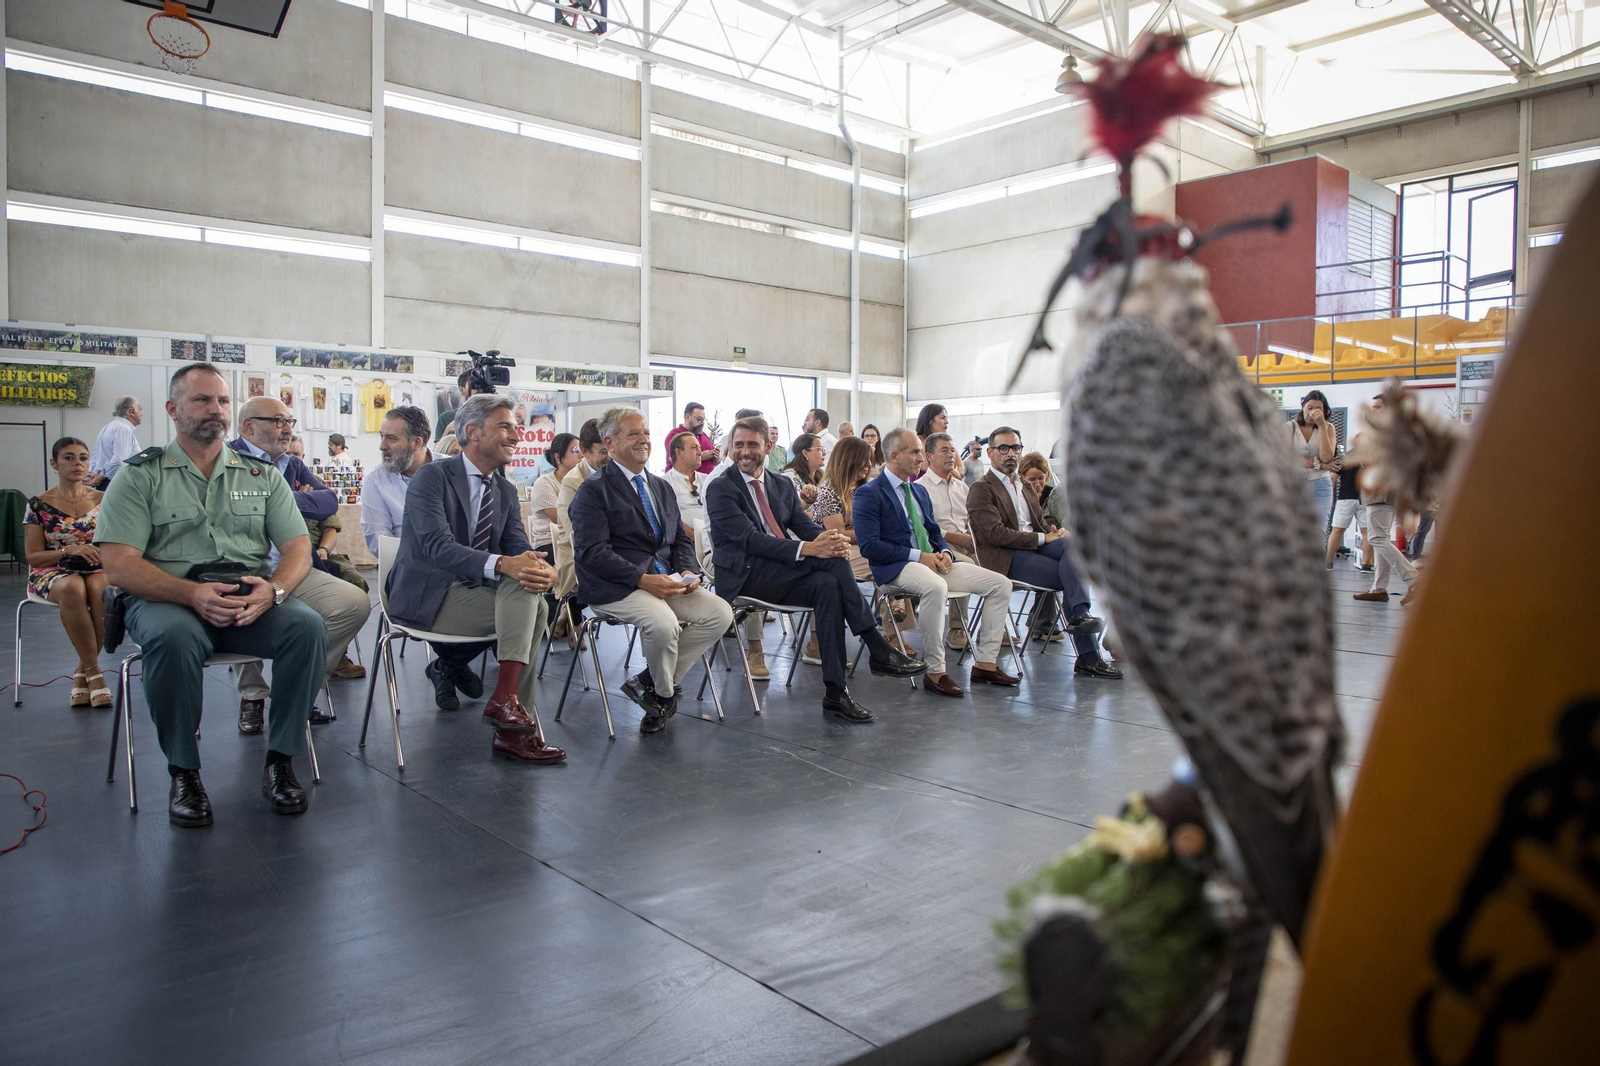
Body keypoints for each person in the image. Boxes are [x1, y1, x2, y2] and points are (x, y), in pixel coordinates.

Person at [95, 363, 330, 826]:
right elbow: (119, 564)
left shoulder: (261, 475)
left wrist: (275, 590)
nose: (215, 410)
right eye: (202, 400)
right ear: (172, 408)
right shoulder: (140, 475)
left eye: (222, 401)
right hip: (165, 599)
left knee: (306, 626)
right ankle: (184, 771)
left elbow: (298, 548)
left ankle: (280, 762)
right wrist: (190, 594)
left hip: (247, 597)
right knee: (174, 639)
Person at [706, 416, 925, 724]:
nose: (744, 452)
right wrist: (812, 549)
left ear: (767, 447)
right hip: (747, 574)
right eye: (738, 445)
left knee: (827, 585)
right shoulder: (720, 488)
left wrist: (830, 540)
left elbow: (806, 527)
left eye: (752, 444)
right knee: (831, 563)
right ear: (730, 447)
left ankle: (836, 693)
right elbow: (750, 541)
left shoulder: (780, 484)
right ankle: (877, 647)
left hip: (783, 569)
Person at [385, 394, 565, 764]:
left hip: (474, 594)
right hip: (427, 597)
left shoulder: (503, 489)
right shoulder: (430, 478)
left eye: (516, 426)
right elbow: (437, 547)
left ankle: (506, 706)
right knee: (531, 602)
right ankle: (511, 723)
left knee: (530, 593)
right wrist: (505, 565)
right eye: (505, 426)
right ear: (472, 432)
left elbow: (519, 547)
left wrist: (541, 566)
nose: (516, 435)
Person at [571, 408, 734, 735]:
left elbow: (677, 540)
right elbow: (592, 552)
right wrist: (641, 579)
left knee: (720, 612)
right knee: (663, 625)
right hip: (617, 586)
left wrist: (687, 571)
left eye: (645, 432)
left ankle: (647, 682)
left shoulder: (660, 487)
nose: (644, 439)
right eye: (633, 434)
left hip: (665, 581)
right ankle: (662, 696)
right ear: (610, 443)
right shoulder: (593, 491)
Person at [229, 397, 371, 731]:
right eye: (278, 421)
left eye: (289, 420)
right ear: (249, 426)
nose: (287, 428)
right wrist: (296, 498)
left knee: (353, 604)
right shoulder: (227, 458)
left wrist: (282, 498)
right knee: (240, 604)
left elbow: (328, 501)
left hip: (296, 566)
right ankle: (252, 696)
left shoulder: (290, 464)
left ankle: (296, 691)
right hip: (243, 567)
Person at [855, 428, 1016, 698]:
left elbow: (933, 532)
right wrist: (920, 556)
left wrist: (945, 553)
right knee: (935, 588)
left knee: (1000, 584)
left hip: (930, 563)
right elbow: (870, 546)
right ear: (894, 456)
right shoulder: (869, 494)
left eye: (920, 451)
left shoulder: (918, 492)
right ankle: (935, 671)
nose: (921, 457)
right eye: (915, 451)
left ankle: (986, 663)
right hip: (896, 568)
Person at [966, 427, 1123, 680]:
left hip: (1034, 548)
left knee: (1074, 547)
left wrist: (1052, 531)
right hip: (1005, 557)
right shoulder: (981, 489)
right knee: (1071, 575)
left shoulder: (1026, 487)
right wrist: (1043, 537)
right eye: (1003, 448)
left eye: (1016, 448)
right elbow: (996, 535)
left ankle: (1080, 617)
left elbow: (1039, 527)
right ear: (990, 453)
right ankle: (1088, 655)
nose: (1011, 454)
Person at [363, 406, 490, 704]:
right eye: (382, 437)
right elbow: (378, 543)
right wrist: (437, 553)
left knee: (516, 599)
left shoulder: (456, 470)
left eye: (391, 439)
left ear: (417, 443)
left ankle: (445, 666)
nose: (382, 445)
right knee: (496, 608)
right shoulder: (376, 481)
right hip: (413, 575)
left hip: (461, 568)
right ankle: (451, 664)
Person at [24, 437, 111, 708]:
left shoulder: (105, 500)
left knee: (101, 590)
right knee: (74, 588)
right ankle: (95, 674)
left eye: (83, 458)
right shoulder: (38, 504)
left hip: (98, 567)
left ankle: (82, 670)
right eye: (69, 457)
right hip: (52, 569)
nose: (78, 463)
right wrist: (67, 551)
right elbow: (33, 556)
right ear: (54, 463)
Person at [1351, 394, 1421, 606]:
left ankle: (1413, 579)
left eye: (1378, 407)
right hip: (1387, 491)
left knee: (1376, 539)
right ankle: (1379, 588)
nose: (1374, 411)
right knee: (1380, 537)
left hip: (1381, 491)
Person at [917, 432, 977, 652]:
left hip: (968, 542)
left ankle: (992, 628)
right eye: (944, 450)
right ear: (929, 456)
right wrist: (956, 538)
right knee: (967, 568)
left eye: (952, 450)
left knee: (1001, 565)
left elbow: (971, 521)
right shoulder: (921, 488)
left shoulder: (963, 488)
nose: (951, 455)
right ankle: (957, 628)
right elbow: (923, 527)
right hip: (939, 544)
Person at [554, 418, 610, 648]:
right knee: (591, 569)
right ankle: (573, 617)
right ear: (585, 452)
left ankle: (567, 617)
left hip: (609, 548)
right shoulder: (572, 483)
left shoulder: (614, 474)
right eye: (603, 451)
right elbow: (574, 535)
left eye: (612, 449)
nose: (610, 456)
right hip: (575, 552)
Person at [1018, 452, 1069, 644]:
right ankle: (1043, 622)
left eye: (1041, 478)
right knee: (1055, 565)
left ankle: (1041, 621)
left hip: (1050, 542)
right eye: (1032, 479)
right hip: (1028, 544)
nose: (1038, 483)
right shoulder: (1017, 496)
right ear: (1022, 478)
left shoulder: (1052, 495)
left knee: (1060, 559)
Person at [1287, 389, 1337, 533]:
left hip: (1321, 484)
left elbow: (1328, 457)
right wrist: (1319, 464)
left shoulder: (1328, 428)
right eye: (1309, 408)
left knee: (1319, 532)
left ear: (1324, 411)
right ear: (1302, 406)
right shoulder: (1290, 427)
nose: (1312, 412)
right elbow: (1285, 458)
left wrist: (1321, 426)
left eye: (1318, 409)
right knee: (1294, 532)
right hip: (1294, 484)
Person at [89, 395, 143, 487]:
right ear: (132, 411)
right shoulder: (123, 429)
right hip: (115, 482)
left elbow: (96, 455)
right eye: (140, 409)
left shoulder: (108, 427)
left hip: (105, 481)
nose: (141, 414)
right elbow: (119, 460)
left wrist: (92, 473)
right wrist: (101, 476)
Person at [664, 401, 718, 474]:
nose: (702, 423)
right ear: (687, 417)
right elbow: (674, 459)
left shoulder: (703, 435)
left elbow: (714, 460)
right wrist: (702, 456)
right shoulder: (675, 435)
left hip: (705, 481)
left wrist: (716, 457)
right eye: (699, 419)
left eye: (703, 420)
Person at [780, 434, 824, 515]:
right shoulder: (789, 477)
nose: (824, 454)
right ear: (805, 453)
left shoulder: (821, 474)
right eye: (819, 449)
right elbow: (794, 512)